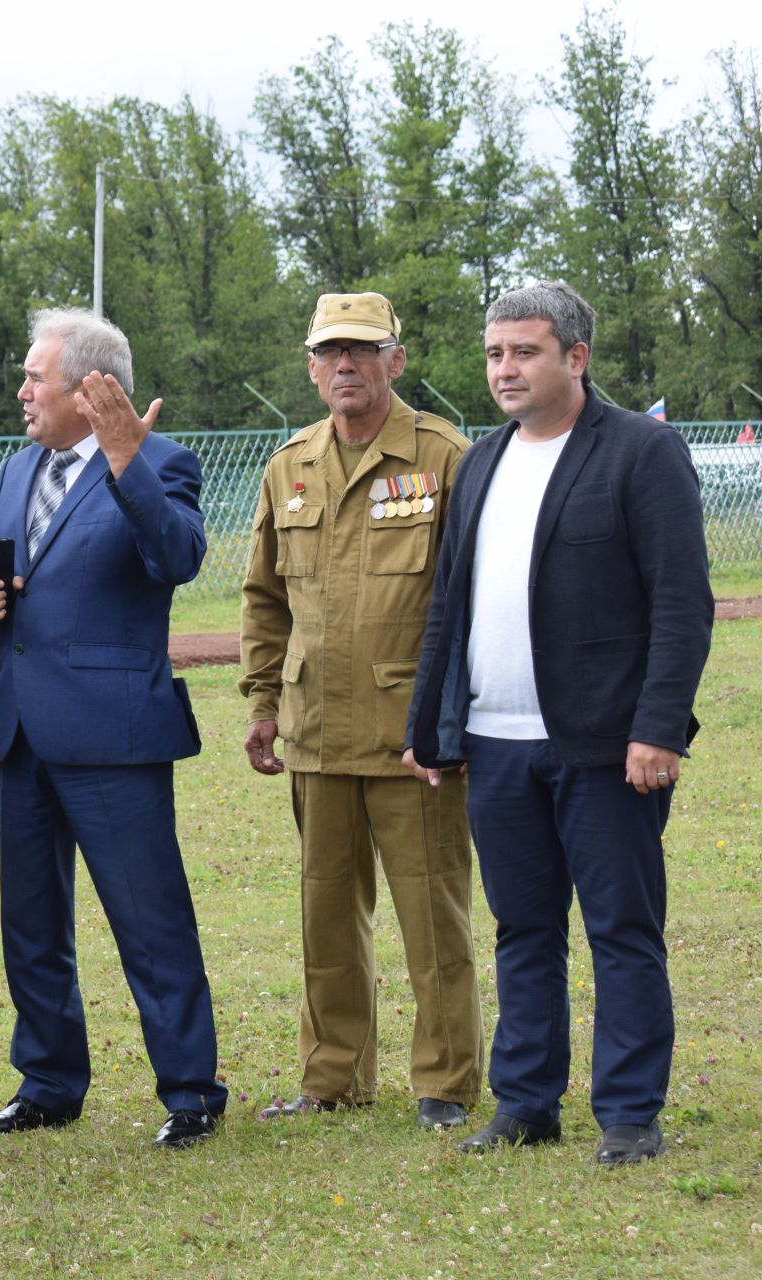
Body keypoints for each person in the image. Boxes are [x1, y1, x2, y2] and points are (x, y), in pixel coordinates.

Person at [405, 281, 713, 1164]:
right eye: (496, 352)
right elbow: (448, 604)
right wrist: (432, 723)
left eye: (525, 351)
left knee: (621, 930)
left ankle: (628, 1116)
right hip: (497, 747)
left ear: (575, 357)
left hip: (607, 748)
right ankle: (527, 1104)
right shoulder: (481, 462)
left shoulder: (642, 452)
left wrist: (657, 728)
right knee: (522, 929)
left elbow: (682, 605)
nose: (506, 368)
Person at [0, 307, 226, 1149]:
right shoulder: (14, 470)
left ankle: (190, 1094)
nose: (22, 391)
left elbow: (177, 557)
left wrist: (124, 460)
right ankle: (47, 1083)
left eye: (36, 377)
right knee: (31, 921)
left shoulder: (160, 464)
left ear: (91, 387)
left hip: (115, 734)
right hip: (23, 730)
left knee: (150, 922)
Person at [238, 292, 482, 1129]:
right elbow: (265, 597)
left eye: (362, 350)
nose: (345, 366)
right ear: (310, 366)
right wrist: (263, 701)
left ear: (395, 361)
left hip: (413, 737)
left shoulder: (445, 456)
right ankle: (331, 1079)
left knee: (432, 918)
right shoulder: (290, 463)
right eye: (329, 352)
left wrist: (453, 721)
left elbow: (476, 597)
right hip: (315, 731)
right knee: (326, 922)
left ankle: (445, 1085)